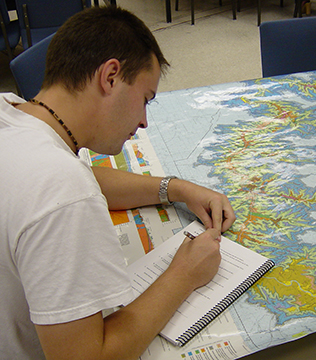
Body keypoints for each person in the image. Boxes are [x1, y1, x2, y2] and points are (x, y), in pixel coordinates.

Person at [0, 6, 235, 360]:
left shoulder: (14, 113)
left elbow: (86, 179)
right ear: (110, 76)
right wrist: (184, 274)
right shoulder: (62, 191)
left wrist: (176, 188)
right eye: (145, 99)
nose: (143, 121)